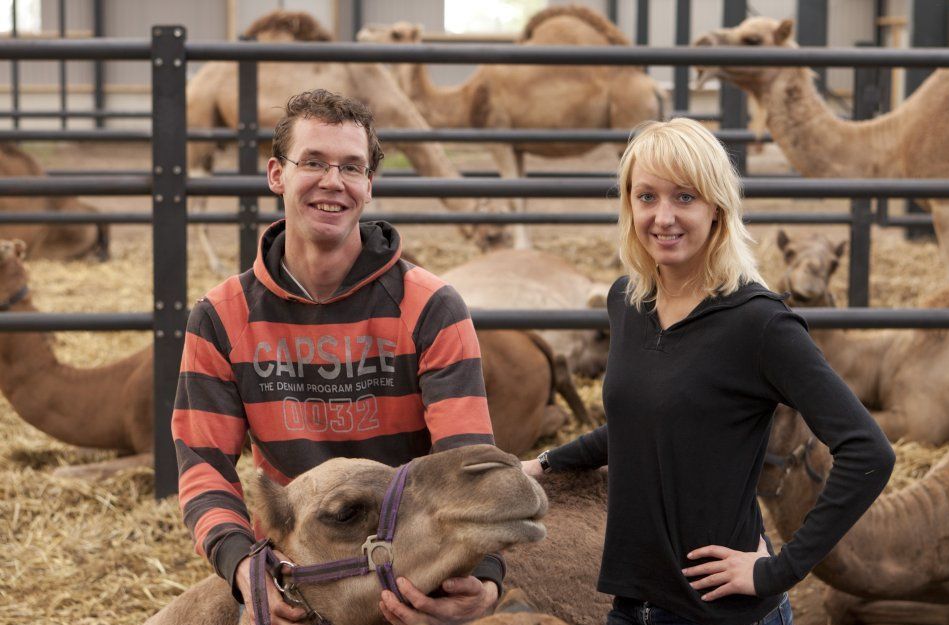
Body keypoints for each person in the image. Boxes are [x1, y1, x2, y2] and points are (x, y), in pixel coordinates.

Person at [523, 118, 895, 625]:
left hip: (723, 611)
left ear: (717, 208)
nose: (663, 217)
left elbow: (868, 451)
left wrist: (779, 570)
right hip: (632, 602)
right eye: (646, 197)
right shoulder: (627, 302)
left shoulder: (761, 323)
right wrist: (544, 464)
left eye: (684, 197)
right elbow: (647, 417)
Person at [172, 90, 503, 625]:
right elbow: (204, 470)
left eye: (352, 166)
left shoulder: (432, 307)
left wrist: (484, 574)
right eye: (315, 162)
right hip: (296, 556)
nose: (333, 181)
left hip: (410, 552)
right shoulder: (220, 316)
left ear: (369, 185)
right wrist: (242, 568)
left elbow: (466, 456)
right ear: (277, 175)